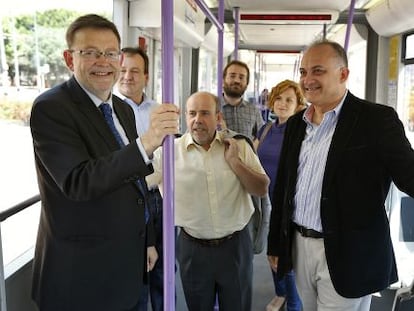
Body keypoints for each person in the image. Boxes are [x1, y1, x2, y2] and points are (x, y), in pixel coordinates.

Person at [29, 14, 179, 311]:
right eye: (90, 53)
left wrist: (147, 239)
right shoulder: (51, 108)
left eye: (110, 53)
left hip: (129, 266)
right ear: (69, 59)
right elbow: (78, 181)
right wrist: (147, 142)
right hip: (82, 278)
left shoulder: (121, 108)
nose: (103, 61)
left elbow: (135, 182)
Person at [267, 39, 414, 311]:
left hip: (348, 251)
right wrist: (276, 243)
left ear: (343, 74)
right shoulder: (297, 125)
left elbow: (409, 175)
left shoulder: (375, 120)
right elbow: (284, 189)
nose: (308, 79)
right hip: (300, 247)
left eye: (318, 71)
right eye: (303, 72)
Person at [146, 91, 269, 311]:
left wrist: (235, 163)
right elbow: (140, 185)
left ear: (218, 117)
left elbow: (261, 188)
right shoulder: (169, 153)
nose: (197, 120)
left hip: (235, 246)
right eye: (192, 113)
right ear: (185, 116)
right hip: (193, 249)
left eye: (205, 113)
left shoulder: (238, 147)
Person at [117, 46, 165, 311]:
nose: (127, 76)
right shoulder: (107, 112)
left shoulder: (159, 111)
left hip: (156, 196)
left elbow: (169, 156)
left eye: (135, 71)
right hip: (125, 201)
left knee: (163, 267)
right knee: (134, 272)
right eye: (123, 70)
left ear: (146, 76)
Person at [254, 80, 306, 311]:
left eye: (289, 100)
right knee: (270, 251)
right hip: (265, 203)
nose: (282, 104)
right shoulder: (266, 129)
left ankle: (294, 303)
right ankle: (280, 293)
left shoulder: (300, 131)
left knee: (288, 257)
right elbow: (253, 156)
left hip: (289, 204)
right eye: (279, 98)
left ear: (298, 106)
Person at [221, 60, 264, 140]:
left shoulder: (253, 111)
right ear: (223, 80)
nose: (237, 81)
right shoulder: (212, 108)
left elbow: (262, 137)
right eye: (232, 76)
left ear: (247, 83)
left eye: (241, 77)